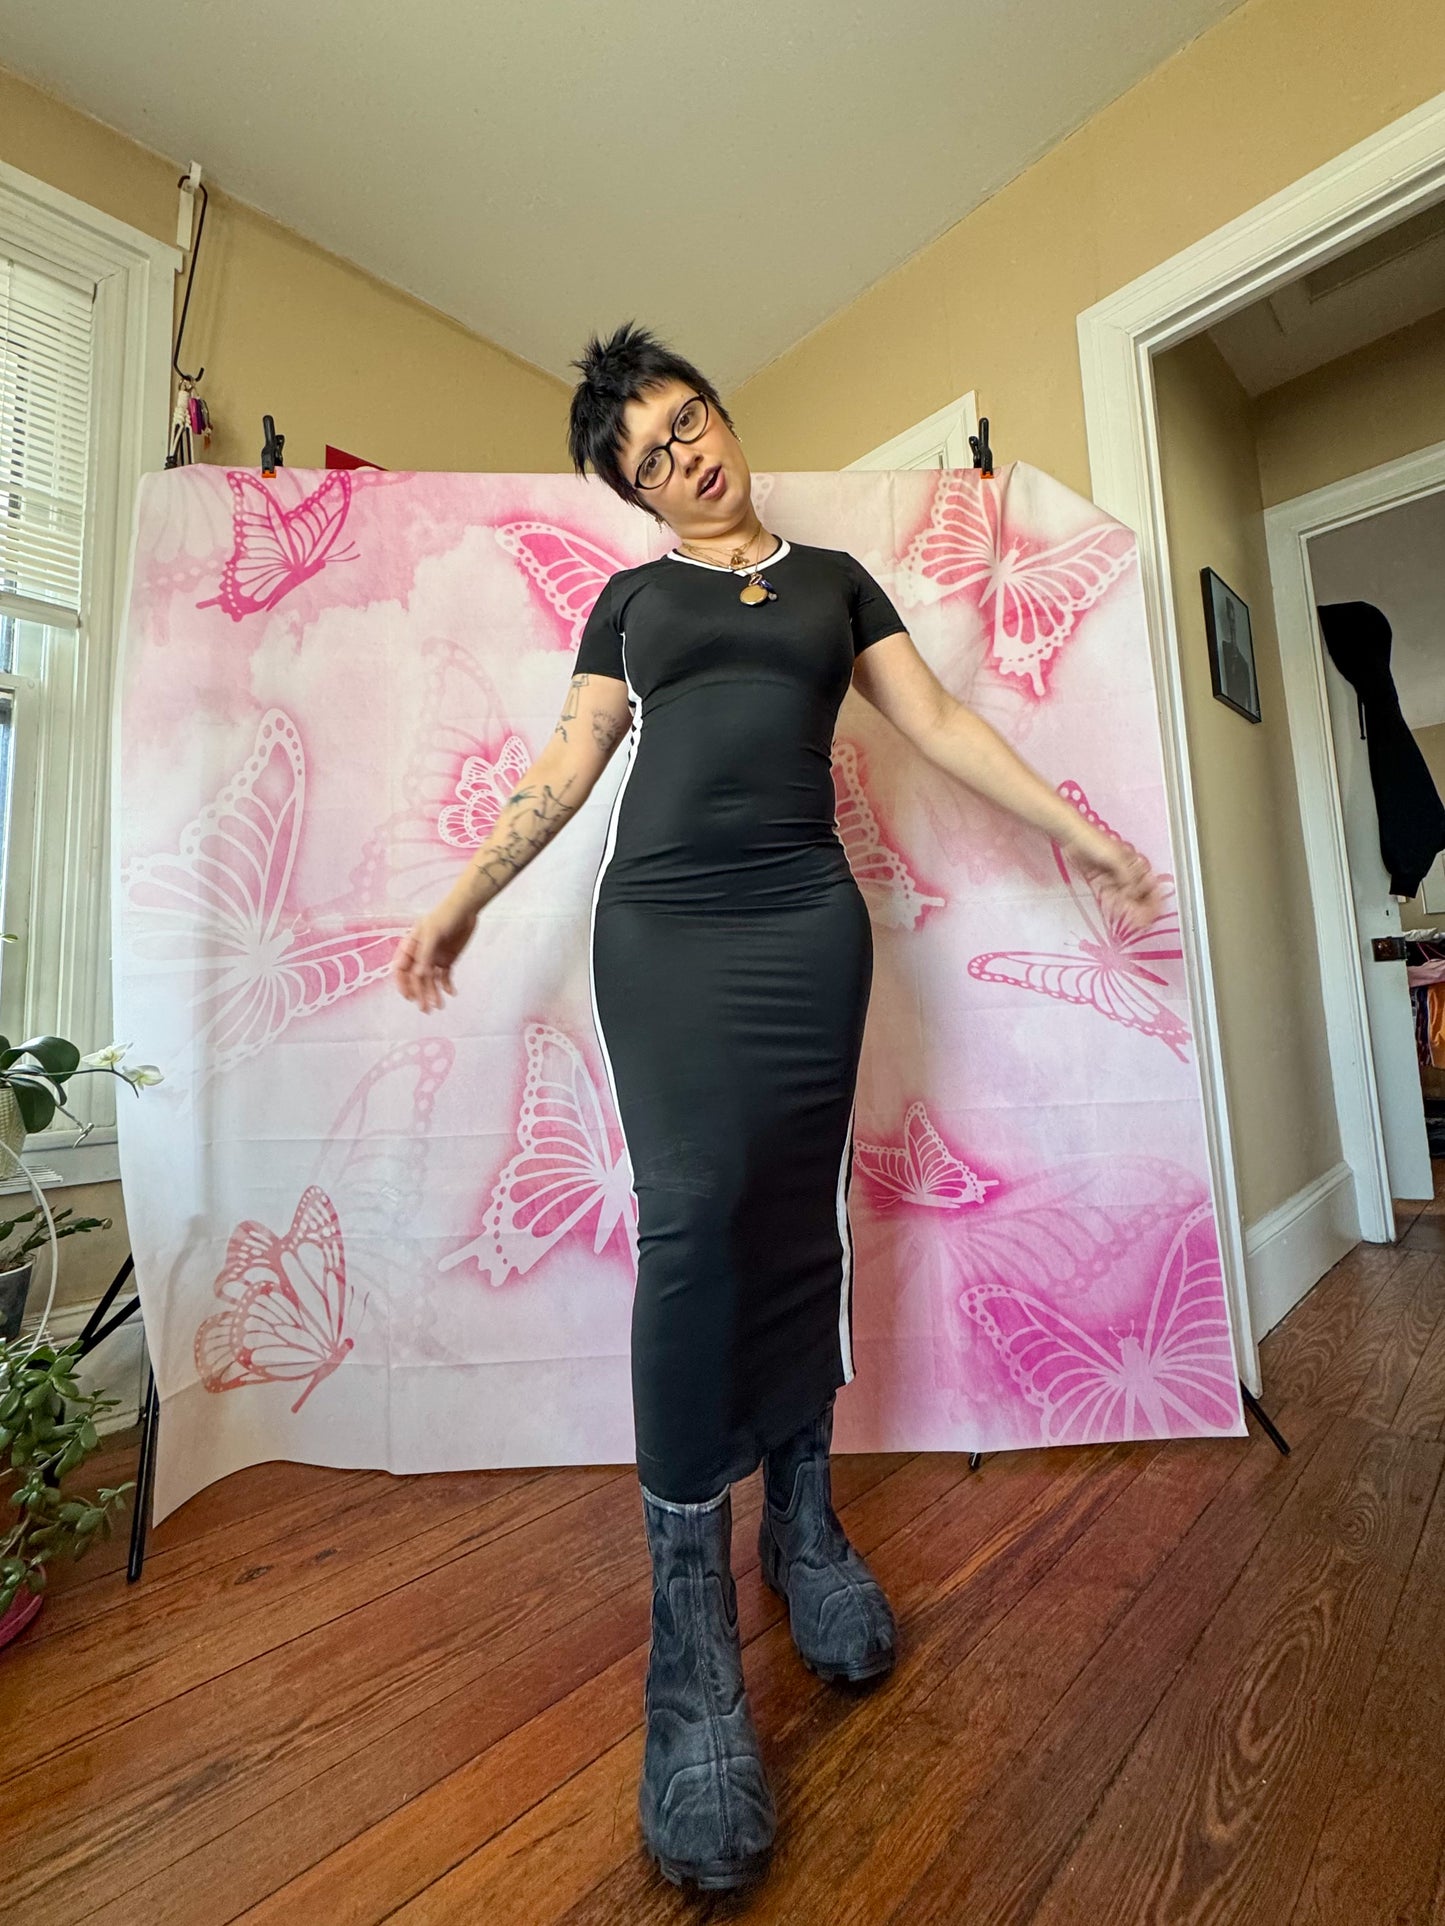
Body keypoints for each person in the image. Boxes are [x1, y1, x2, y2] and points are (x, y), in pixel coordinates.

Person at [391, 322, 1166, 1892]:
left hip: (806, 923)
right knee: (691, 1219)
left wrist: (1077, 831)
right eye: (648, 456)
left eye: (688, 420)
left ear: (719, 415)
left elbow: (938, 725)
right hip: (664, 928)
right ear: (632, 493)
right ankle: (690, 1645)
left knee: (795, 1219)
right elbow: (566, 764)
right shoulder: (633, 603)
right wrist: (465, 893)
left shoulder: (834, 584)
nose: (684, 455)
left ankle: (800, 1527)